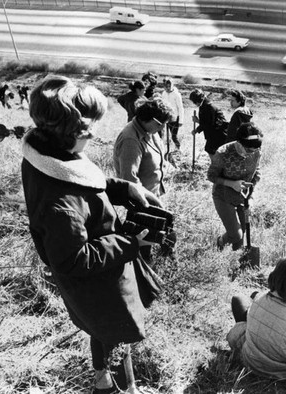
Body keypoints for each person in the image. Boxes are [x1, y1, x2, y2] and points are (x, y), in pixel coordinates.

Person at [21, 76, 162, 394]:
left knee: (101, 327)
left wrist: (123, 188)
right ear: (69, 133)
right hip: (98, 281)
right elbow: (74, 258)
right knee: (115, 327)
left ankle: (103, 377)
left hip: (96, 278)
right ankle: (123, 386)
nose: (94, 133)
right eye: (88, 129)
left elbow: (81, 181)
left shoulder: (45, 155)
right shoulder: (61, 207)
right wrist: (130, 242)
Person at [207, 122, 261, 251]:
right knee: (236, 235)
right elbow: (211, 176)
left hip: (243, 197)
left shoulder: (255, 151)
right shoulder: (223, 153)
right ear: (239, 142)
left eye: (254, 151)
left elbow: (256, 174)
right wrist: (232, 184)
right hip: (223, 196)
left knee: (241, 237)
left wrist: (251, 198)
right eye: (247, 150)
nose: (250, 153)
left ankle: (236, 258)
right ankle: (220, 242)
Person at [113, 97, 172, 199]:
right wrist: (147, 202)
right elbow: (129, 179)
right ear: (147, 118)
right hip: (142, 202)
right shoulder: (130, 140)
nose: (162, 128)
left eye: (164, 124)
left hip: (154, 196)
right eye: (160, 124)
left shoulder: (150, 130)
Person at [189, 89, 228, 157]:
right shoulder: (203, 105)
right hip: (213, 134)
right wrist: (197, 130)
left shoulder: (209, 106)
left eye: (194, 102)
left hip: (219, 134)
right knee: (209, 150)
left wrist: (197, 122)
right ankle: (215, 166)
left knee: (213, 152)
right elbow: (205, 122)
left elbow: (209, 124)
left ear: (197, 100)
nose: (194, 104)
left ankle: (216, 166)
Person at [161, 78, 184, 151]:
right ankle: (165, 149)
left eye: (169, 86)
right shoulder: (163, 93)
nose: (167, 88)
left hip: (175, 118)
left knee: (174, 136)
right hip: (166, 117)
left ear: (172, 85)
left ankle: (178, 149)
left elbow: (180, 108)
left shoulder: (176, 95)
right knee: (163, 135)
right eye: (166, 86)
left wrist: (181, 120)